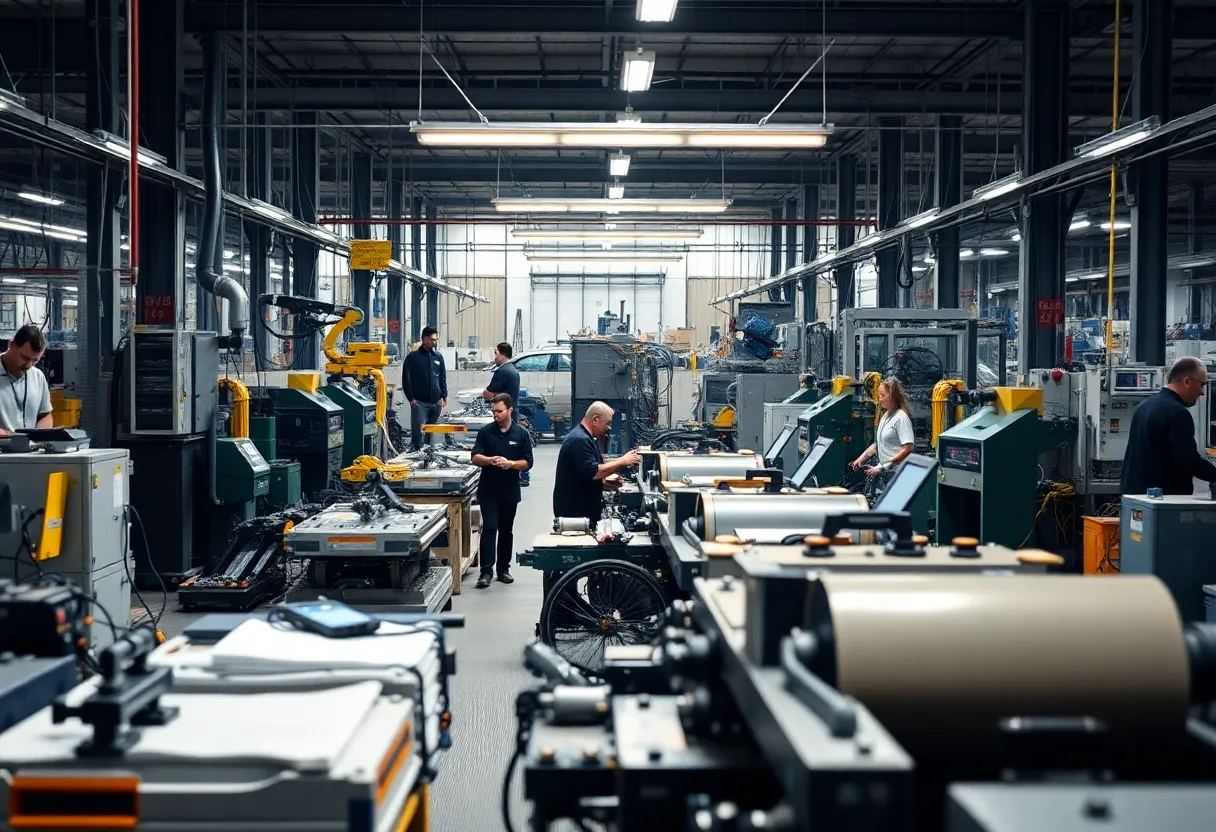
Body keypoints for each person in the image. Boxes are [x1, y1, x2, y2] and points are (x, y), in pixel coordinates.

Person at [1120, 356, 1216, 495]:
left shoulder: (1144, 406)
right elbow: (1190, 460)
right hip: (1163, 498)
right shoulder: (1177, 413)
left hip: (1134, 495)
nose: (1202, 393)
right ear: (1187, 381)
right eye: (1202, 385)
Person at [470, 394, 534, 589]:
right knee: (490, 528)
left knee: (506, 530)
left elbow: (528, 462)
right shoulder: (486, 432)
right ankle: (486, 572)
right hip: (488, 490)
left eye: (499, 411)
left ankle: (503, 569)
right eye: (494, 411)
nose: (496, 414)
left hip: (509, 491)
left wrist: (511, 464)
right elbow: (475, 457)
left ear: (510, 410)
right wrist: (491, 460)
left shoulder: (521, 434)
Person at [553, 401, 641, 525]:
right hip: (575, 513)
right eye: (607, 423)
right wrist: (623, 461)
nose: (609, 428)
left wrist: (609, 484)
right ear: (595, 420)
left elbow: (585, 474)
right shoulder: (579, 440)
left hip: (581, 509)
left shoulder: (586, 438)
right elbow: (593, 472)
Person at [483, 342, 529, 487]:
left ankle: (515, 473)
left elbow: (488, 393)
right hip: (512, 412)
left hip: (505, 415)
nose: (494, 356)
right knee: (516, 444)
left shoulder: (502, 371)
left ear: (503, 354)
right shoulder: (513, 370)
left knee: (507, 444)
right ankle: (523, 475)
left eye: (496, 353)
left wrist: (488, 394)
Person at [850, 376, 915, 478]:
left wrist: (883, 466)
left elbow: (908, 448)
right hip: (885, 472)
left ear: (892, 396)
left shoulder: (901, 418)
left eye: (882, 395)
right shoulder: (885, 416)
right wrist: (861, 459)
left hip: (898, 474)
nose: (879, 399)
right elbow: (878, 444)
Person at [0, 325, 52, 436]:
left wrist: (39, 435)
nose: (28, 365)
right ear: (12, 345)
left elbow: (45, 415)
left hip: (30, 446)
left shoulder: (38, 377)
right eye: (25, 358)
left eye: (35, 360)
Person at [402, 326, 447, 451]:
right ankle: (417, 453)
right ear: (424, 339)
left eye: (435, 339)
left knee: (430, 432)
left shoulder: (438, 357)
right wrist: (411, 398)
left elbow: (442, 377)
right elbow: (406, 379)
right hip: (419, 403)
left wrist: (444, 396)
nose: (434, 342)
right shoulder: (412, 358)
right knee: (418, 434)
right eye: (432, 339)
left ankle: (429, 454)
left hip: (436, 402)